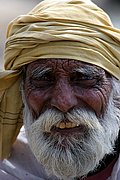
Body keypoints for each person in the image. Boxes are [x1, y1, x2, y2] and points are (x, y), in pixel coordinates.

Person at [0, 0, 120, 179]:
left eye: (84, 78)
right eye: (43, 79)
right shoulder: (9, 168)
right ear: (22, 92)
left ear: (116, 91)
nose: (63, 102)